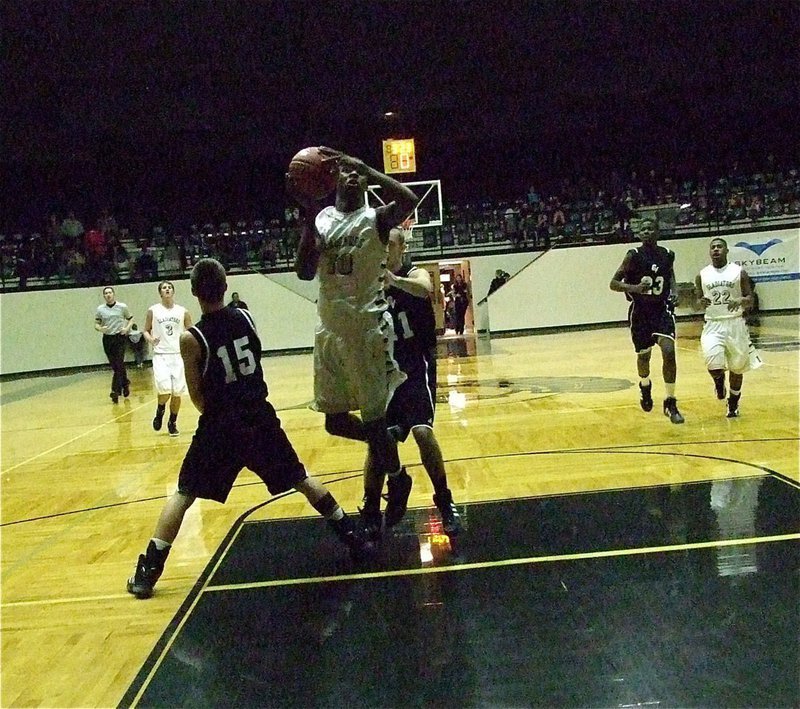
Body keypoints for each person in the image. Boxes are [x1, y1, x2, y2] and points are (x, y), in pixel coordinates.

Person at [126, 259, 371, 599]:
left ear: (194, 293)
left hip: (221, 425)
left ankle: (147, 573)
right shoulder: (246, 316)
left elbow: (197, 395)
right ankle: (351, 535)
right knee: (301, 478)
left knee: (183, 494)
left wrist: (221, 417)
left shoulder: (191, 338)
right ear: (225, 287)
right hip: (259, 417)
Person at [291, 147, 419, 539]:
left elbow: (409, 200)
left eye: (358, 175)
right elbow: (302, 271)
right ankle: (394, 466)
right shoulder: (323, 218)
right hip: (329, 329)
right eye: (345, 173)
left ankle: (391, 475)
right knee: (334, 422)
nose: (353, 177)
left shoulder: (377, 219)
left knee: (374, 419)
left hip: (367, 330)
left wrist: (371, 170)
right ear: (331, 182)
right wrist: (307, 217)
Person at [381, 227, 463, 535]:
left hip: (417, 363)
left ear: (401, 247)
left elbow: (425, 288)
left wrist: (395, 281)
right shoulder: (371, 281)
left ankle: (444, 501)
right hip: (386, 369)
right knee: (380, 439)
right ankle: (379, 503)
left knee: (422, 432)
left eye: (389, 244)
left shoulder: (412, 272)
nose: (384, 250)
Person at [609, 218, 684, 423]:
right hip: (640, 313)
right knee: (644, 357)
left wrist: (675, 292)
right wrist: (634, 289)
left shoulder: (667, 254)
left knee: (669, 350)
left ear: (657, 232)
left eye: (651, 228)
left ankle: (670, 401)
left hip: (661, 310)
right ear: (638, 233)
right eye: (643, 229)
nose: (647, 231)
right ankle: (645, 385)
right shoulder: (633, 255)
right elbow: (613, 283)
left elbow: (669, 276)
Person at [694, 237, 761, 418]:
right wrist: (700, 302)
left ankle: (733, 403)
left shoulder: (739, 272)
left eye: (719, 247)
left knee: (737, 368)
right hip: (713, 323)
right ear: (710, 252)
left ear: (726, 250)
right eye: (713, 247)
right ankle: (718, 381)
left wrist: (740, 300)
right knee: (712, 362)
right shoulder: (702, 275)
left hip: (735, 323)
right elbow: (697, 303)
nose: (716, 250)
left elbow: (751, 300)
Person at [144, 281, 193, 436]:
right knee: (165, 389)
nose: (167, 289)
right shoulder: (153, 310)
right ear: (160, 293)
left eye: (169, 287)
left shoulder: (182, 311)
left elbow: (191, 332)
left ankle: (172, 422)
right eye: (164, 288)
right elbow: (145, 330)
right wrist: (151, 340)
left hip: (178, 355)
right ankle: (160, 410)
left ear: (173, 292)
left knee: (177, 392)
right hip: (161, 355)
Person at [94, 286, 134, 403]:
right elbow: (96, 324)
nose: (108, 295)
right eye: (106, 293)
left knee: (119, 363)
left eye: (110, 292)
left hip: (120, 337)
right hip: (108, 339)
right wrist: (101, 329)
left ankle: (114, 391)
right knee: (115, 365)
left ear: (113, 294)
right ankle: (125, 383)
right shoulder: (100, 309)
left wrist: (126, 328)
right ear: (104, 296)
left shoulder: (122, 307)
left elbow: (130, 319)